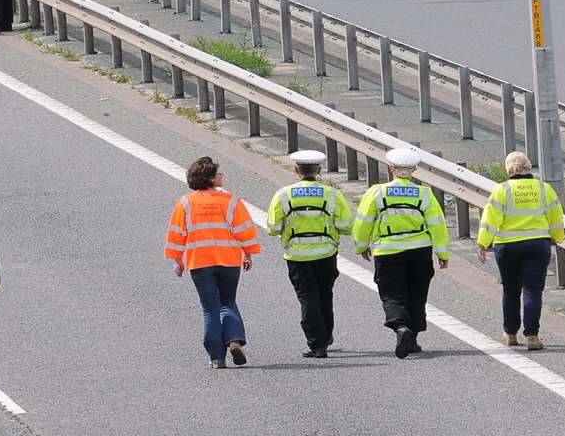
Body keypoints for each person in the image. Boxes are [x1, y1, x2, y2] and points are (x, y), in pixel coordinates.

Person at [165, 156, 263, 368]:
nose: (222, 176)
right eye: (218, 173)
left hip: (199, 262)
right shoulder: (231, 201)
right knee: (227, 301)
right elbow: (244, 230)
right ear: (210, 178)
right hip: (228, 260)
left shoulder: (185, 203)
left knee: (210, 309)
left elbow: (176, 234)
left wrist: (177, 260)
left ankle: (217, 358)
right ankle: (234, 338)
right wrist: (248, 253)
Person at [353, 147, 450, 359]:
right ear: (414, 170)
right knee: (417, 294)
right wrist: (443, 254)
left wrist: (361, 246)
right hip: (420, 251)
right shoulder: (424, 193)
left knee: (391, 294)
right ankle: (412, 339)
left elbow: (363, 222)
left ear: (390, 169)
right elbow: (437, 225)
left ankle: (401, 328)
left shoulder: (377, 192)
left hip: (388, 251)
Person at [266, 150, 351, 358]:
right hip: (326, 254)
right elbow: (346, 225)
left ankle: (317, 343)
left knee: (307, 298)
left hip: (297, 256)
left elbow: (273, 227)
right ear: (319, 170)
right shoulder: (332, 194)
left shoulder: (283, 195)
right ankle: (326, 335)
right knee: (325, 294)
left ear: (296, 170)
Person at [477, 151, 565, 351]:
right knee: (533, 291)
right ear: (529, 167)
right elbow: (556, 217)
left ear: (508, 169)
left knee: (511, 289)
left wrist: (482, 243)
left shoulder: (502, 190)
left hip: (507, 247)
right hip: (537, 245)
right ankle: (532, 336)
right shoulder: (544, 189)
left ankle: (509, 334)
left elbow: (490, 219)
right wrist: (557, 238)